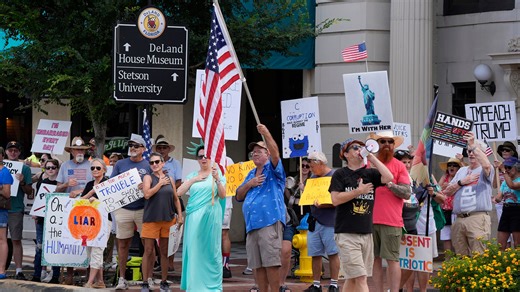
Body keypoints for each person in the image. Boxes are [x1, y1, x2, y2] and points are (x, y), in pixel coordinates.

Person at [329, 138, 393, 292]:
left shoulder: (370, 173)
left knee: (352, 279)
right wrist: (358, 191)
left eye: (362, 147)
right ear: (346, 154)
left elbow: (389, 177)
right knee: (361, 278)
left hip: (366, 233)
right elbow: (335, 199)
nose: (360, 150)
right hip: (346, 233)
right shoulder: (340, 174)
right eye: (355, 147)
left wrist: (372, 158)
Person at [236, 124, 287, 292]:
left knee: (271, 264)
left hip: (269, 222)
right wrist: (249, 184)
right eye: (254, 151)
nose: (255, 153)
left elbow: (276, 153)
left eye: (260, 150)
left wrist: (266, 133)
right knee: (257, 266)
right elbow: (238, 195)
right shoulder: (251, 173)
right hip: (252, 225)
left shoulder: (273, 169)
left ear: (268, 154)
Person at [367, 131, 411, 292]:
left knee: (392, 260)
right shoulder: (368, 163)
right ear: (377, 144)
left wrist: (390, 185)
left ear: (393, 145)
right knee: (374, 260)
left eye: (390, 142)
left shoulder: (399, 165)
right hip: (369, 220)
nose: (386, 144)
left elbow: (407, 193)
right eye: (382, 141)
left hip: (391, 221)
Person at [179, 143, 226, 291]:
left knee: (212, 250)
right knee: (194, 249)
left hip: (212, 216)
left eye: (206, 156)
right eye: (200, 156)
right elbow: (179, 192)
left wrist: (217, 178)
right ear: (197, 159)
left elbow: (223, 195)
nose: (204, 159)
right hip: (194, 217)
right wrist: (194, 180)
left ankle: (213, 286)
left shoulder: (218, 174)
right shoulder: (192, 175)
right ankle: (194, 285)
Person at [443, 132, 494, 256]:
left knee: (479, 256)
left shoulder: (485, 169)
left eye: (473, 151)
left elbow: (486, 164)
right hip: (459, 219)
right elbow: (447, 192)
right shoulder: (461, 171)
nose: (470, 153)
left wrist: (473, 145)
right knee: (461, 258)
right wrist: (461, 182)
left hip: (477, 218)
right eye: (469, 151)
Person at [111, 136, 151, 290]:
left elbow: (154, 183)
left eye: (136, 145)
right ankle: (122, 278)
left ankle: (148, 278)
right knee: (122, 243)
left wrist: (146, 185)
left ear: (143, 148)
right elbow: (111, 184)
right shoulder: (121, 164)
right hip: (123, 208)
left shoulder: (148, 164)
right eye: (131, 145)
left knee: (148, 245)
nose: (133, 148)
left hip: (143, 209)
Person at [140, 152, 183, 292]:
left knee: (165, 252)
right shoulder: (148, 177)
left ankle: (164, 282)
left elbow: (176, 198)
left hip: (168, 218)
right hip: (151, 219)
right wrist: (159, 184)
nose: (154, 165)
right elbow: (147, 194)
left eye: (157, 162)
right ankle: (145, 282)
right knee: (148, 250)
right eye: (151, 162)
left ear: (163, 163)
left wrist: (180, 215)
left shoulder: (170, 178)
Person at [56, 137, 92, 285]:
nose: (79, 152)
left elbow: (95, 184)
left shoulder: (91, 165)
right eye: (77, 149)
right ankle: (69, 275)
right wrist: (66, 184)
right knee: (70, 240)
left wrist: (80, 190)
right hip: (68, 208)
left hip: (87, 208)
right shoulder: (64, 166)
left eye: (82, 150)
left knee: (88, 239)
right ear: (71, 151)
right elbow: (57, 188)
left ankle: (90, 274)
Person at [303, 151, 340, 292]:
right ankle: (316, 283)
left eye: (312, 166)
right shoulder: (312, 177)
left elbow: (338, 198)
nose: (310, 169)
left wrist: (324, 204)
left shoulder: (334, 176)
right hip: (315, 219)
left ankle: (334, 283)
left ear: (320, 163)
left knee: (333, 252)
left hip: (330, 220)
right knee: (315, 253)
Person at [5, 141, 33, 280]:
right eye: (10, 150)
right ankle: (1, 269)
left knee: (16, 239)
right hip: (1, 208)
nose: (13, 152)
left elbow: (30, 193)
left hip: (15, 208)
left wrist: (22, 181)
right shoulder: (1, 166)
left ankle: (19, 270)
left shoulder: (25, 169)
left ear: (19, 153)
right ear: (6, 152)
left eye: (16, 150)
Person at [393, 149, 420, 292]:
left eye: (409, 162)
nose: (408, 165)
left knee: (411, 262)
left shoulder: (413, 180)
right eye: (404, 162)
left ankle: (400, 288)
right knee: (395, 261)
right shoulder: (393, 177)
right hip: (397, 225)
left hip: (412, 224)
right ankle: (395, 288)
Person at [31, 158, 61, 283]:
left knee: (55, 247)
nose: (50, 170)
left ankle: (55, 276)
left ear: (57, 169)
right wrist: (35, 213)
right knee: (39, 247)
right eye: (47, 168)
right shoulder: (41, 182)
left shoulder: (60, 183)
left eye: (53, 167)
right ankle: (36, 275)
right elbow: (38, 198)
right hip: (42, 218)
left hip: (56, 219)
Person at [81, 158, 109, 289]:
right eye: (92, 168)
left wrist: (96, 201)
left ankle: (90, 282)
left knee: (97, 250)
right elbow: (81, 201)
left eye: (98, 168)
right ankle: (100, 281)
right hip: (89, 222)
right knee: (91, 250)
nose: (95, 170)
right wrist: (91, 192)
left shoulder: (108, 183)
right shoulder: (89, 184)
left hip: (104, 222)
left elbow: (111, 203)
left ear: (104, 169)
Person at [493, 141, 518, 248]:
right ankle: (503, 261)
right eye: (505, 167)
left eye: (509, 168)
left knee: (517, 243)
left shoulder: (513, 176)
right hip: (505, 208)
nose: (506, 169)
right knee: (501, 242)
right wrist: (496, 198)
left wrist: (503, 170)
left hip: (517, 209)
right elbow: (498, 192)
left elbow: (512, 185)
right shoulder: (503, 180)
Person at [438, 156, 463, 253]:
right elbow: (437, 189)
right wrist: (442, 188)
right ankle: (448, 260)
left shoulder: (461, 178)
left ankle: (459, 259)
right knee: (445, 236)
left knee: (458, 236)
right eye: (449, 165)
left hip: (457, 211)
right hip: (446, 210)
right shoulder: (444, 177)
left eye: (455, 165)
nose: (451, 167)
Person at [0, 147, 13, 279]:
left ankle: (1, 270)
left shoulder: (4, 172)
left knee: (2, 239)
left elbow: (7, 193)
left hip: (1, 210)